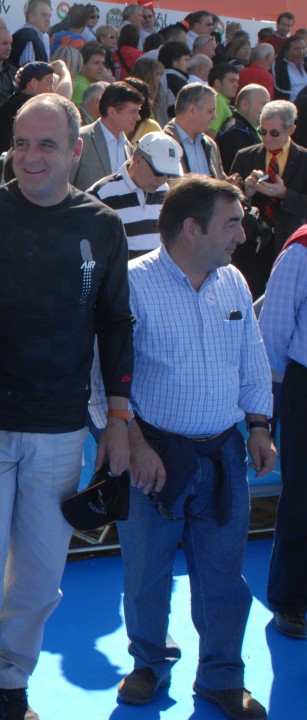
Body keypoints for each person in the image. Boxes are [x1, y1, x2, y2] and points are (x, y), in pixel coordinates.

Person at [0, 93, 134, 720]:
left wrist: (118, 419)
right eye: (21, 143)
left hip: (60, 429)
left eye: (46, 144)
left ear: (76, 151)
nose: (30, 156)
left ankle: (10, 683)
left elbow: (115, 322)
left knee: (40, 576)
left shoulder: (100, 225)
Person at [114, 176, 274, 720]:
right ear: (191, 229)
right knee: (145, 572)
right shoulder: (132, 285)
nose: (242, 235)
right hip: (153, 459)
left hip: (224, 453)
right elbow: (103, 378)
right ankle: (149, 663)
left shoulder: (233, 281)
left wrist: (258, 425)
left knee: (225, 574)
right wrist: (135, 444)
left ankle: (223, 677)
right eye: (232, 223)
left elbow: (251, 357)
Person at [260, 223, 307, 641]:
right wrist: (269, 405)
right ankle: (290, 601)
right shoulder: (302, 249)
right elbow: (273, 329)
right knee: (302, 497)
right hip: (304, 384)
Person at [230, 99, 307, 298]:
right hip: (251, 244)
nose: (267, 138)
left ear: (291, 130)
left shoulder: (304, 160)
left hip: (289, 242)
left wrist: (284, 194)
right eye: (262, 131)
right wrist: (246, 192)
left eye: (274, 133)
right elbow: (227, 203)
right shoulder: (245, 156)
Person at [89, 131, 182, 258]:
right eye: (158, 172)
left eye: (169, 175)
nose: (162, 180)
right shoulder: (100, 194)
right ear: (138, 160)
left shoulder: (166, 193)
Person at [71, 81, 143, 190]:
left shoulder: (128, 147)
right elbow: (65, 184)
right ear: (112, 112)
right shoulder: (81, 139)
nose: (138, 117)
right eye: (133, 112)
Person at [163, 83, 224, 178]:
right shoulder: (162, 143)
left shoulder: (211, 145)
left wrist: (230, 183)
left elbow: (220, 179)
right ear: (192, 110)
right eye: (210, 111)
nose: (214, 117)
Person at [216, 84, 268, 174]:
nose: (267, 111)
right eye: (264, 105)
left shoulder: (243, 129)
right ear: (244, 105)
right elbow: (240, 174)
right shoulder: (235, 133)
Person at [10, 0, 51, 67]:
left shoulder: (45, 36)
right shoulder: (27, 35)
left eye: (49, 16)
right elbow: (26, 69)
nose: (48, 20)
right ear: (31, 17)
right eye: (43, 15)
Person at [208, 62, 240, 136]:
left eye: (237, 81)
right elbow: (210, 134)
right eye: (232, 81)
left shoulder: (218, 100)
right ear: (217, 83)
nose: (237, 85)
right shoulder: (217, 101)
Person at [274, 35, 306, 102]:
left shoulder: (305, 65)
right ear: (286, 52)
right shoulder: (279, 68)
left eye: (303, 48)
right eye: (296, 49)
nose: (301, 52)